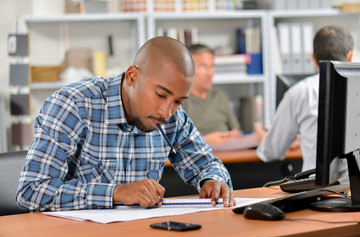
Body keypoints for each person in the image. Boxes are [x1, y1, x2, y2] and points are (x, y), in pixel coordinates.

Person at [16, 36, 235, 212]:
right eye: (160, 95)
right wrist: (115, 193)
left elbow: (208, 164)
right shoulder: (72, 106)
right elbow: (31, 191)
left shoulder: (172, 117)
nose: (166, 112)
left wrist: (212, 180)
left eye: (178, 101)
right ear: (132, 76)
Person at [255, 25, 354, 173]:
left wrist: (263, 138)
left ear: (313, 59)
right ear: (351, 56)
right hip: (353, 186)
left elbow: (271, 152)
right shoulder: (355, 86)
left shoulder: (300, 92)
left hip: (316, 188)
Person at [182, 43, 242, 145]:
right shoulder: (179, 101)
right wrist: (205, 141)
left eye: (212, 66)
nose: (210, 73)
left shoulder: (219, 96)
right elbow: (173, 144)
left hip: (230, 154)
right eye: (203, 66)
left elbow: (238, 132)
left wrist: (235, 136)